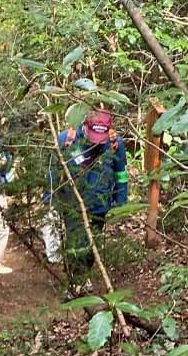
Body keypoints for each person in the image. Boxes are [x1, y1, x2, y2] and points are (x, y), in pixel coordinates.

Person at [51, 108, 129, 291]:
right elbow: (53, 173)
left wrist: (121, 200)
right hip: (72, 203)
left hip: (100, 203)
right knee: (75, 243)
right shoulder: (66, 140)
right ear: (84, 125)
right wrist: (50, 198)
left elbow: (120, 172)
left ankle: (83, 275)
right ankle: (75, 282)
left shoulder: (115, 143)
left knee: (91, 243)